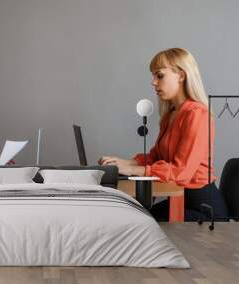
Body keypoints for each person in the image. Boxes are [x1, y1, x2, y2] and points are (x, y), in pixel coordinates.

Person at [98, 48, 228, 221]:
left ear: (181, 76)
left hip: (204, 211)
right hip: (181, 201)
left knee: (138, 222)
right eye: (153, 76)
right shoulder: (171, 114)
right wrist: (125, 162)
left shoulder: (197, 114)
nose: (153, 82)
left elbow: (181, 172)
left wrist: (133, 170)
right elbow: (157, 156)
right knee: (134, 216)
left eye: (159, 76)